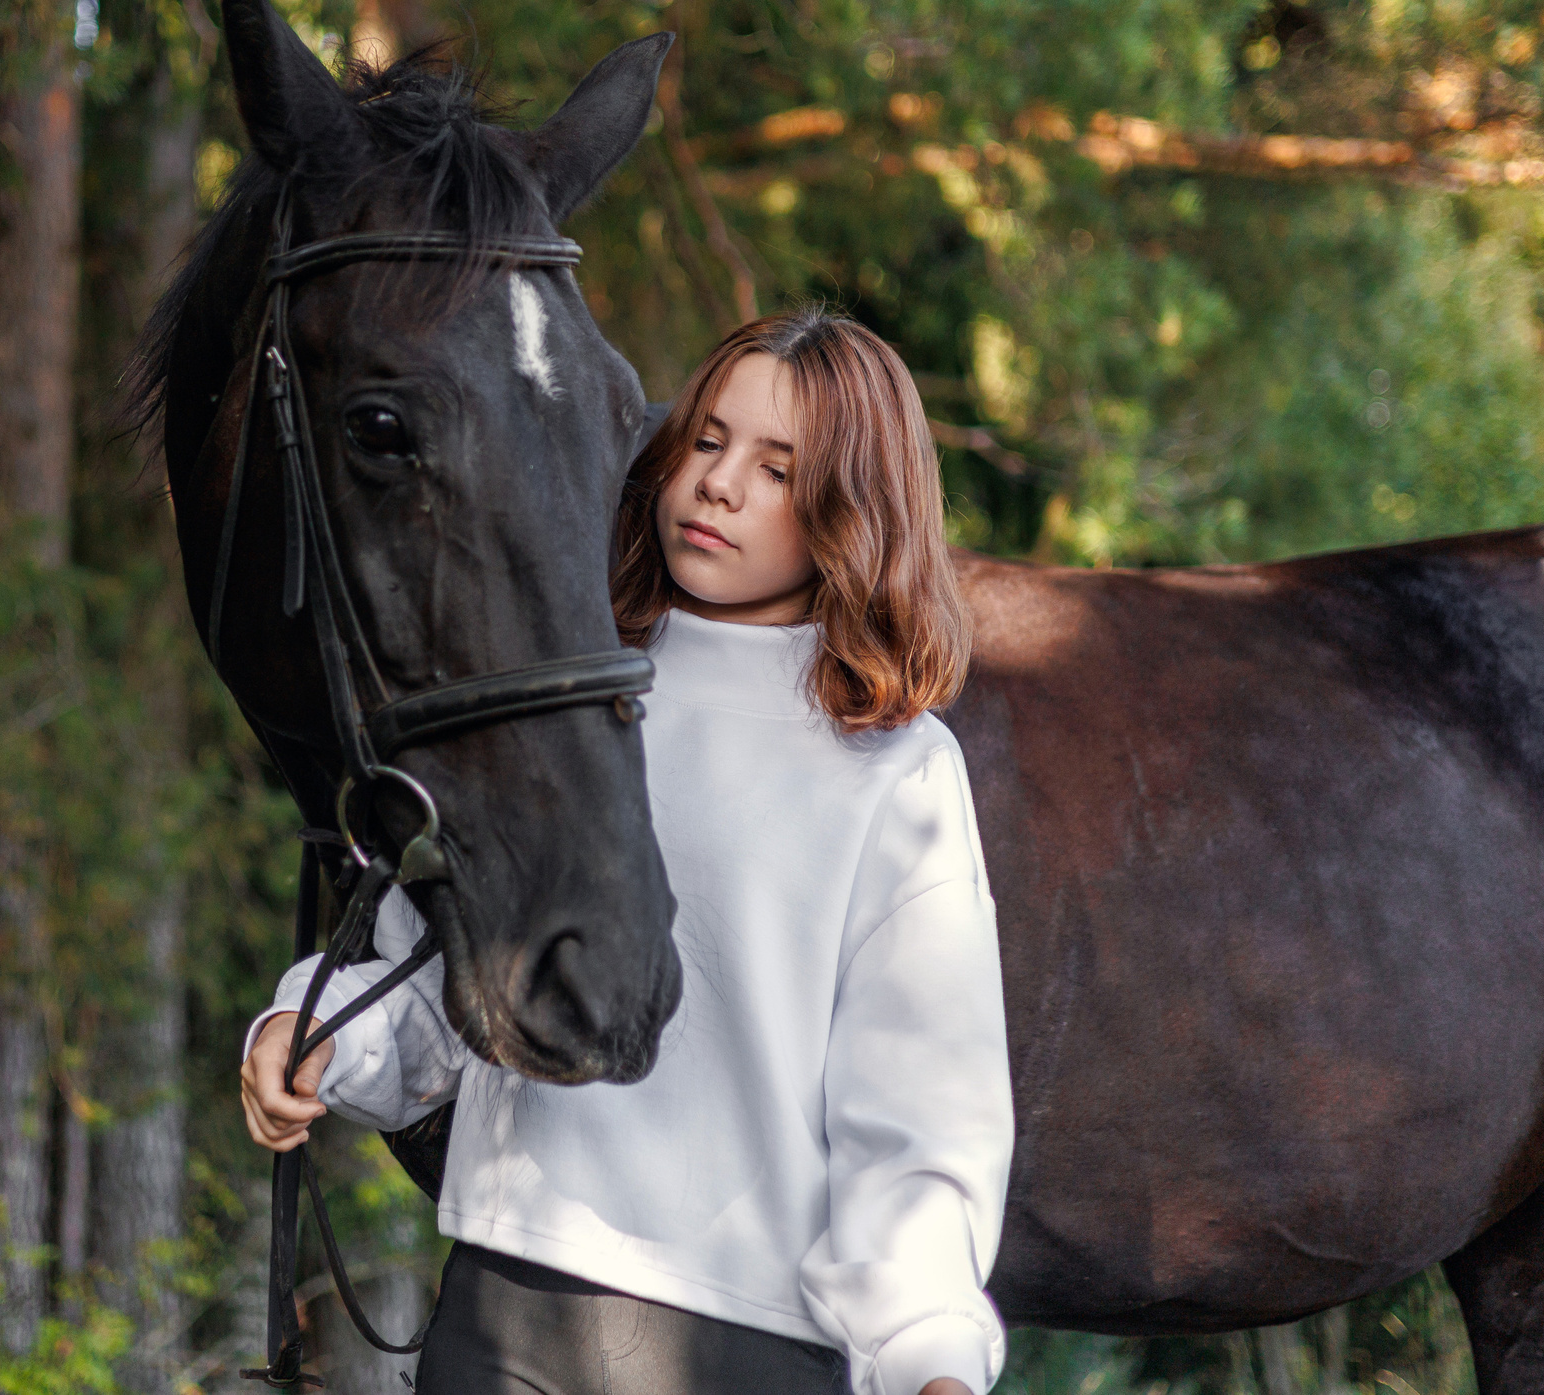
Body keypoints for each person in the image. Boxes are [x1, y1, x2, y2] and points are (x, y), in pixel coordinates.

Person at [241, 308, 1013, 1395]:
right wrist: (318, 1032)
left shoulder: (898, 771)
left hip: (749, 1346)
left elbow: (921, 1116)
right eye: (707, 440)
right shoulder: (558, 694)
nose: (717, 485)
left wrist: (932, 1355)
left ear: (853, 512)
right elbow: (452, 983)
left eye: (776, 469)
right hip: (503, 1314)